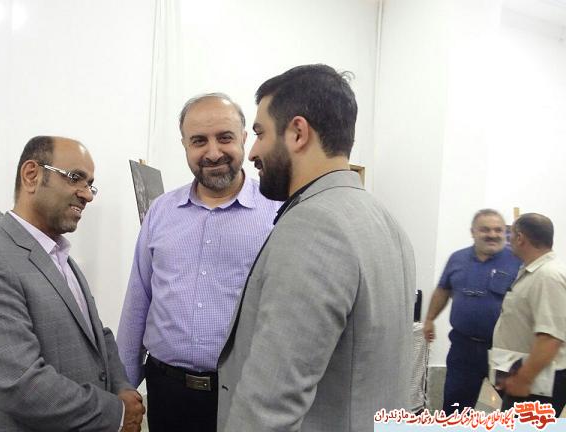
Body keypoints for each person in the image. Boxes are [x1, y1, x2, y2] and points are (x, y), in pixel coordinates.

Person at [216, 64, 416, 432]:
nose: (252, 151)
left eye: (259, 133)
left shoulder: (314, 226)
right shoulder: (385, 220)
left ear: (297, 132)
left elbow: (269, 407)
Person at [0, 136, 144, 432]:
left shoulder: (61, 258)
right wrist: (116, 413)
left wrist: (123, 387)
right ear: (31, 175)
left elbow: (97, 335)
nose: (87, 195)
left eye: (90, 184)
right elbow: (20, 384)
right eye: (75, 178)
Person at [117, 93, 281, 432]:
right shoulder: (161, 212)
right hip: (167, 393)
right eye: (199, 141)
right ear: (185, 145)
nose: (213, 152)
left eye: (225, 137)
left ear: (244, 139)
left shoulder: (277, 213)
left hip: (246, 393)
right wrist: (124, 385)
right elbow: (139, 299)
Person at [423, 209, 521, 413]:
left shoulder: (518, 261)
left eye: (498, 230)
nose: (492, 234)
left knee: (518, 411)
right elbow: (443, 289)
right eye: (485, 229)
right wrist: (430, 319)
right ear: (473, 232)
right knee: (455, 410)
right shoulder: (457, 259)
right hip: (463, 349)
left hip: (504, 351)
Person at [491, 213, 566, 414]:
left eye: (511, 234)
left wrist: (524, 379)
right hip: (529, 376)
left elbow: (551, 338)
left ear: (520, 238)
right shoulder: (533, 271)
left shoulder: (548, 276)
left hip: (538, 382)